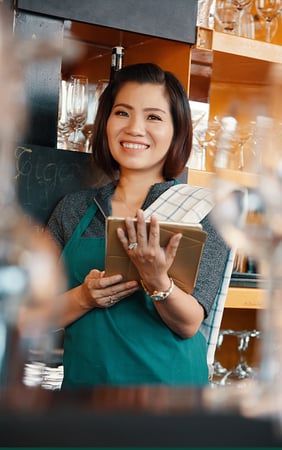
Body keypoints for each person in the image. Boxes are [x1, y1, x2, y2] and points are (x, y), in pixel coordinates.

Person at [47, 62, 230, 388]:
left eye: (154, 117)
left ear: (177, 130)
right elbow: (33, 316)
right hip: (83, 408)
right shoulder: (74, 209)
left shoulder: (206, 211)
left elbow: (189, 324)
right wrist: (84, 298)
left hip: (169, 411)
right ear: (105, 123)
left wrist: (158, 281)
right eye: (122, 113)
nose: (134, 128)